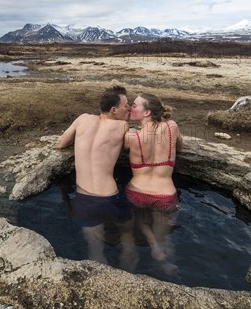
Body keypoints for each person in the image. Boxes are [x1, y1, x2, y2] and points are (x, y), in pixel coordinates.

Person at [55, 85, 133, 265]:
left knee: (95, 252)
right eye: (126, 105)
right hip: (109, 197)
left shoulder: (82, 118)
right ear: (114, 110)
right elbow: (127, 148)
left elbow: (60, 144)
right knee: (128, 236)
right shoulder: (122, 125)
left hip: (84, 199)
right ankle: (129, 265)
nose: (128, 108)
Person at [124, 93, 183, 273]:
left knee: (140, 219)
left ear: (147, 112)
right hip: (164, 195)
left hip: (136, 193)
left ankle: (151, 244)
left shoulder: (131, 136)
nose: (130, 108)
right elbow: (180, 147)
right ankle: (165, 262)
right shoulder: (172, 126)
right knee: (165, 236)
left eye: (134, 105)